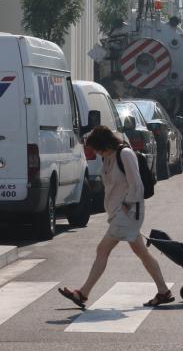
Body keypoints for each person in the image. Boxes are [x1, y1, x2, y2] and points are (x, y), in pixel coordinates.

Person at [58, 126, 173, 309]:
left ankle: (83, 293)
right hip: (119, 214)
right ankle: (163, 291)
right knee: (142, 253)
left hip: (128, 213)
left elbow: (137, 184)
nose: (96, 153)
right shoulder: (108, 156)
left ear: (105, 144)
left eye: (97, 148)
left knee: (102, 250)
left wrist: (127, 205)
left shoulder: (125, 154)